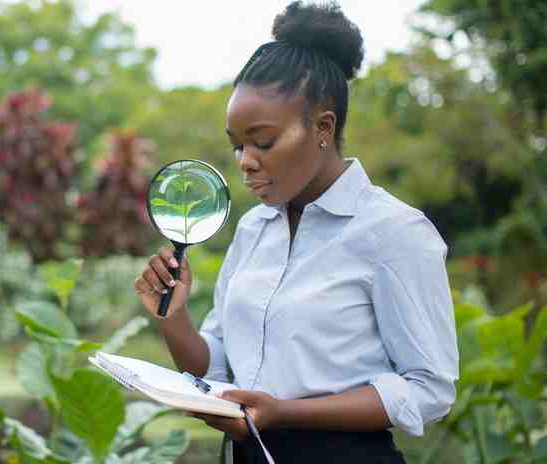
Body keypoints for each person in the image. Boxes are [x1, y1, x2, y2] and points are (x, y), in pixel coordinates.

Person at [133, 2, 459, 463]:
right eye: (238, 145)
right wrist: (173, 318)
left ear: (323, 127)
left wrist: (284, 412)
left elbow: (429, 389)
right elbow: (217, 368)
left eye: (262, 142)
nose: (246, 160)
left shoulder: (394, 232)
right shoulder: (253, 229)